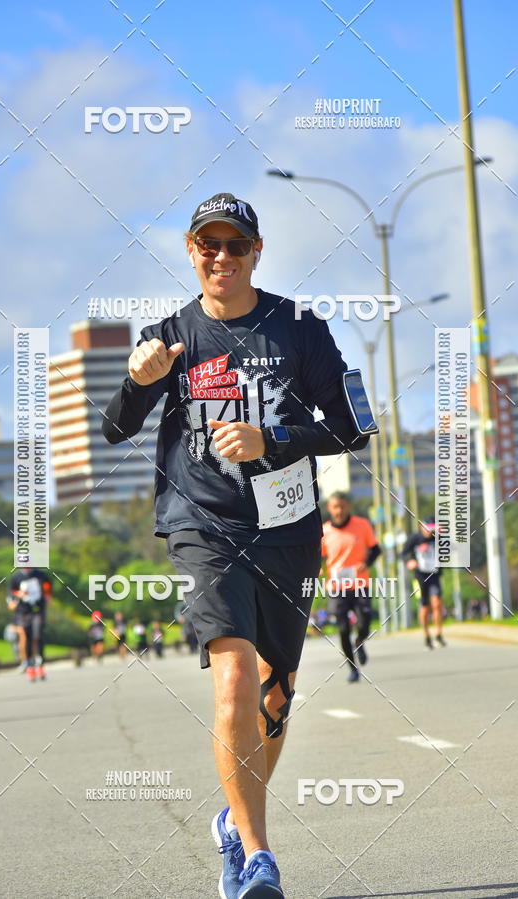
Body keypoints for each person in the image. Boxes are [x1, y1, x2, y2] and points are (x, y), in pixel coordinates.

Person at [102, 191, 372, 898]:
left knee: (276, 694)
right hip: (203, 524)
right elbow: (115, 427)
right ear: (190, 251)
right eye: (208, 245)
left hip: (287, 528)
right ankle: (257, 855)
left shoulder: (301, 329)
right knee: (235, 675)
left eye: (235, 245)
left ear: (257, 253)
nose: (221, 257)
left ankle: (233, 818)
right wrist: (136, 383)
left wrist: (273, 438)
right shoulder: (168, 335)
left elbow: (353, 428)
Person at [321, 493, 382, 682]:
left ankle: (360, 640)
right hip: (337, 586)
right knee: (343, 629)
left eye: (342, 506)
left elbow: (376, 549)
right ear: (330, 509)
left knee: (365, 622)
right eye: (335, 507)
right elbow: (317, 556)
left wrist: (367, 563)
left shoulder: (362, 525)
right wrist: (318, 570)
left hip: (360, 583)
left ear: (347, 507)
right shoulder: (324, 531)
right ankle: (353, 668)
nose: (339, 510)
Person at [402, 521, 447, 650]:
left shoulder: (438, 537)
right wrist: (409, 561)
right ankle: (426, 635)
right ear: (421, 527)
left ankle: (438, 634)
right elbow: (404, 553)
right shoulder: (415, 538)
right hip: (419, 577)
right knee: (424, 606)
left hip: (434, 575)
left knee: (437, 603)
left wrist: (444, 534)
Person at [6, 567, 52, 681]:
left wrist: (47, 594)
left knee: (38, 635)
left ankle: (40, 664)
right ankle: (30, 666)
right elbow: (11, 592)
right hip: (23, 612)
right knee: (27, 637)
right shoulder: (16, 577)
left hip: (38, 609)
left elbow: (47, 584)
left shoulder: (40, 574)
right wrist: (17, 596)